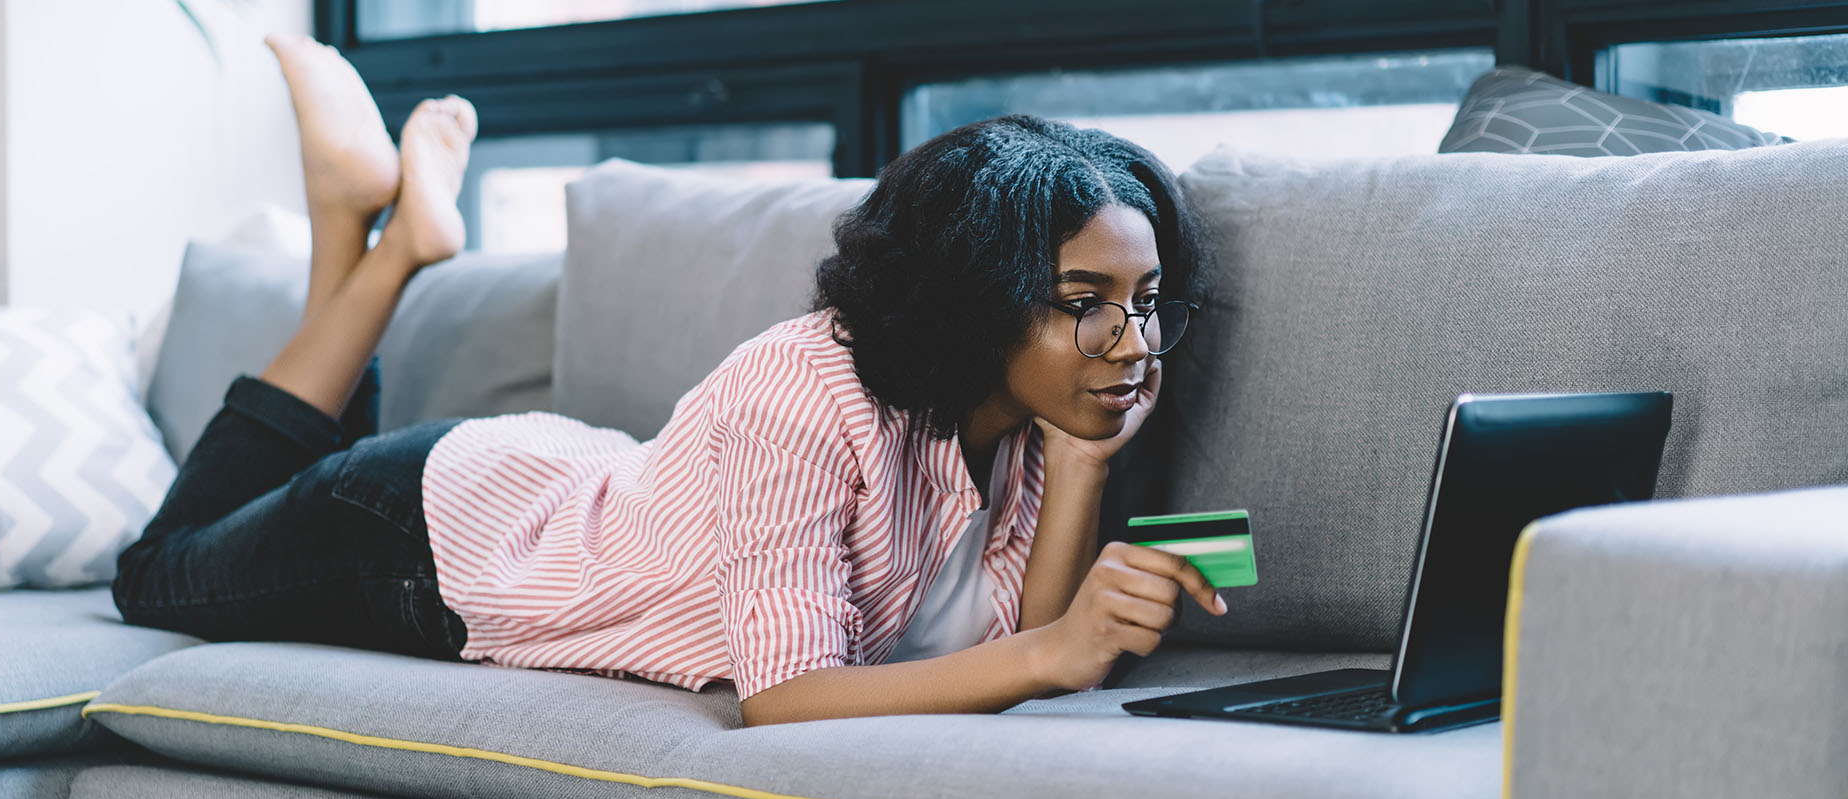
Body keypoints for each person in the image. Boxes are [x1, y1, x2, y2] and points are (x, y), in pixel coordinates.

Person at [112, 34, 1228, 728]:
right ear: (975, 291)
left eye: (1142, 301)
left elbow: (1001, 638)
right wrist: (1056, 651)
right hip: (422, 535)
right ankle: (385, 251)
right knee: (159, 576)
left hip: (554, 482)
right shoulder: (803, 390)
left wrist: (1082, 464)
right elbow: (785, 697)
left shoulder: (1027, 417)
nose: (1130, 341)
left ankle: (352, 218)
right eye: (1082, 302)